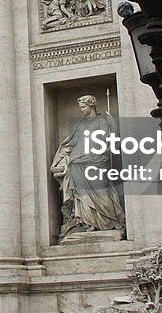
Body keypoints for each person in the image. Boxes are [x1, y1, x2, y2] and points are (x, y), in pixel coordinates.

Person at [50, 95, 125, 238]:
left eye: (83, 107)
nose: (82, 110)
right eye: (81, 107)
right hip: (78, 161)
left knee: (102, 191)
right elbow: (71, 143)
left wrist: (113, 125)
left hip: (97, 160)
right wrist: (58, 159)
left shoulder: (102, 121)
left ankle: (111, 219)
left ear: (91, 106)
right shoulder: (80, 125)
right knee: (82, 194)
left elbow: (108, 141)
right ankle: (88, 222)